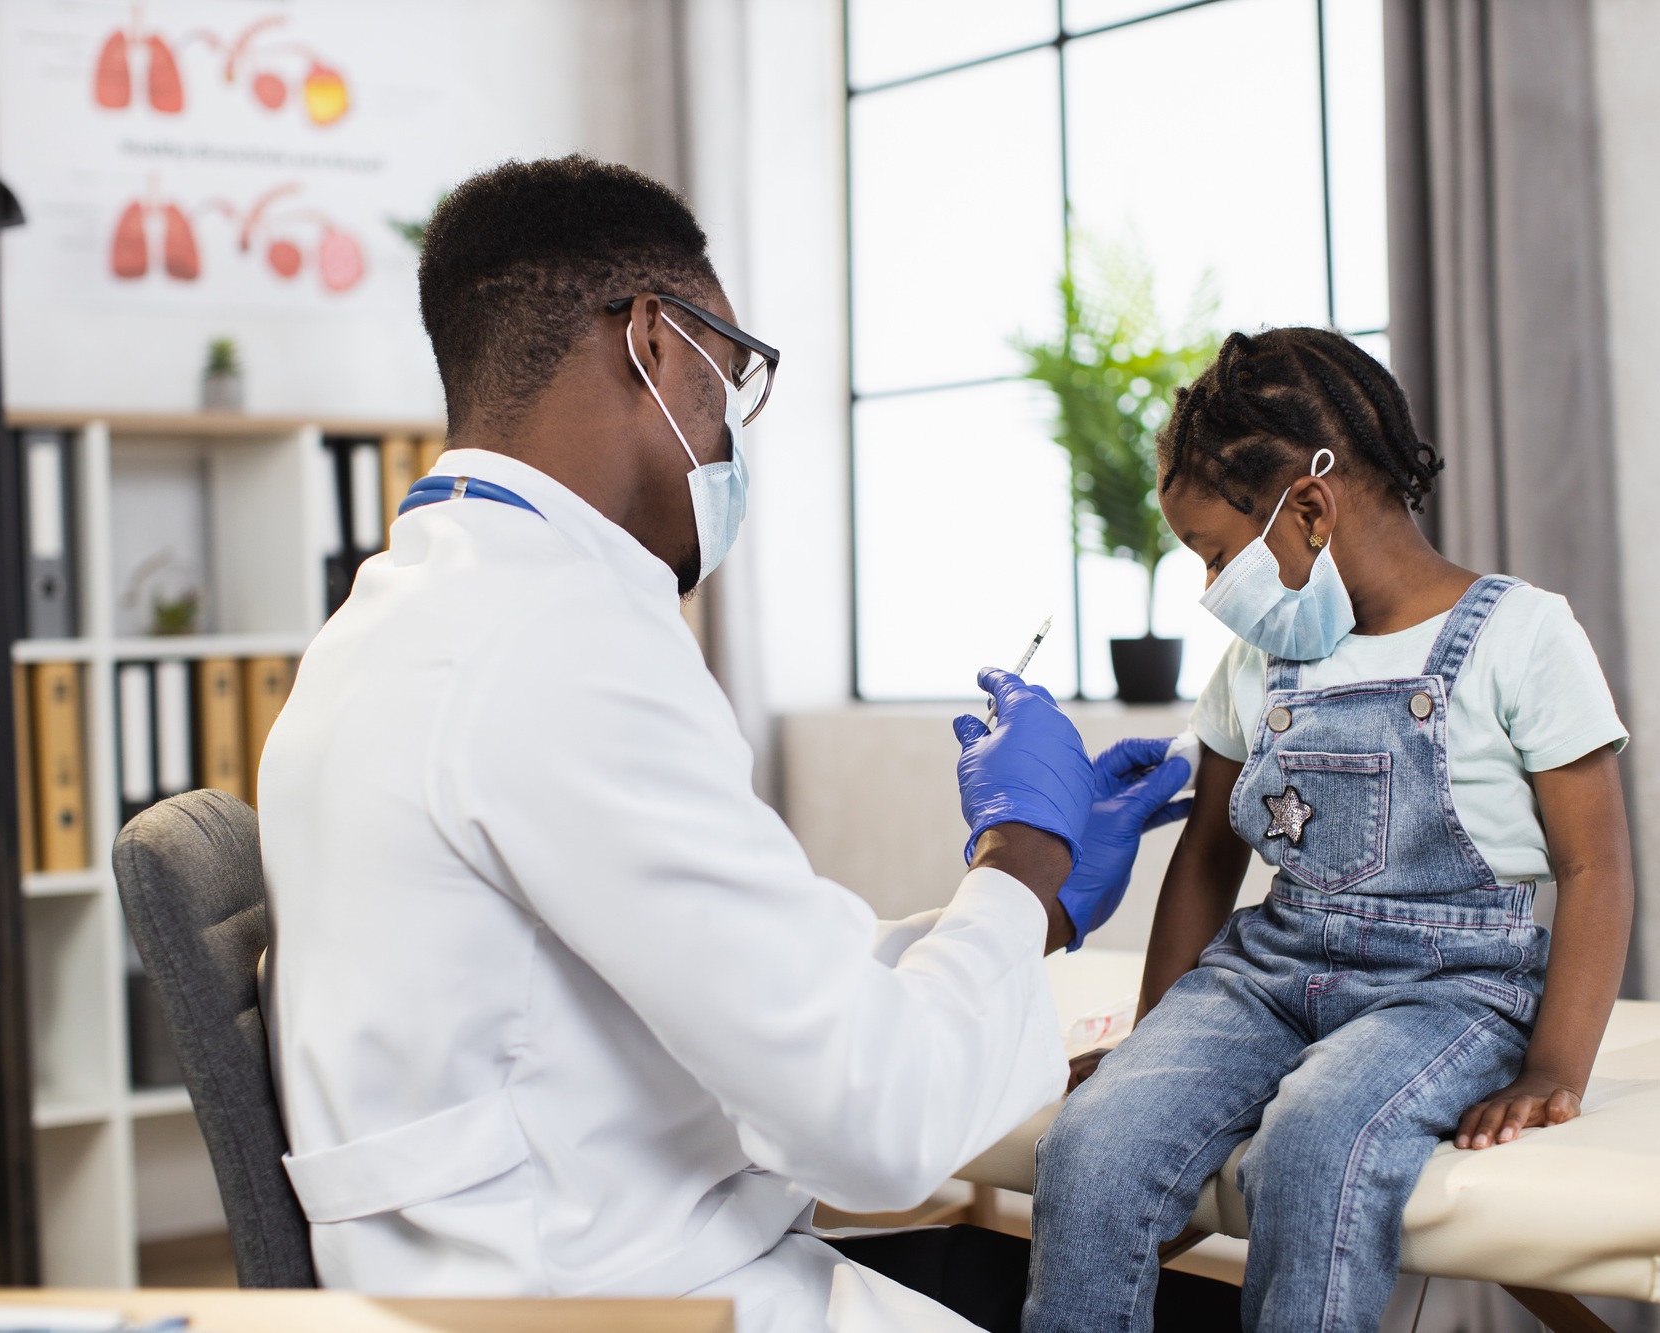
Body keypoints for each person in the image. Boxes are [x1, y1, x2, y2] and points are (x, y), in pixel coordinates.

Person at [255, 155, 1223, 1333]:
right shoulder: (557, 650)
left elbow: (750, 974)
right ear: (657, 343)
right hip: (615, 1299)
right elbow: (875, 1123)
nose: (727, 436)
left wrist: (1041, 904)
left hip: (565, 1259)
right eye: (732, 380)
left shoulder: (407, 618)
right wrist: (1020, 852)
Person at [1022, 328, 1635, 1333]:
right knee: (1093, 1142)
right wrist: (1152, 1037)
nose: (1208, 587)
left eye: (1216, 554)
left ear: (1307, 506)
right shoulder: (1260, 661)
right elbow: (1208, 855)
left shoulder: (1522, 634)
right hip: (1270, 968)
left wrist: (1551, 1069)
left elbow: (1593, 863)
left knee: (1313, 1143)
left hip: (1448, 987)